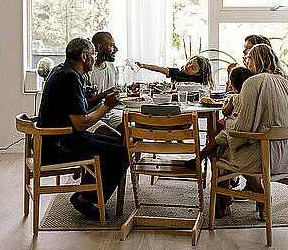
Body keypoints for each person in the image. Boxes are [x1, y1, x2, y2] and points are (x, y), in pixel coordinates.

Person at [188, 44, 288, 220]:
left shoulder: (253, 83)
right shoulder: (287, 82)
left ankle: (224, 204)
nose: (246, 62)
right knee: (232, 144)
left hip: (268, 158)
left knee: (221, 149)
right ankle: (256, 198)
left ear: (255, 60)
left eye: (248, 59)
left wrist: (227, 129)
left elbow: (242, 129)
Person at [36, 38, 129, 221]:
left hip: (57, 139)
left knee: (115, 143)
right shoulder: (71, 77)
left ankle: (87, 193)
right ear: (84, 56)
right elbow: (81, 123)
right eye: (93, 55)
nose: (94, 59)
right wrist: (107, 107)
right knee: (122, 153)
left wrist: (94, 97)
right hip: (59, 145)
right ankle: (85, 198)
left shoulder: (61, 70)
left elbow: (76, 110)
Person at [84, 31, 123, 138]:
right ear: (100, 48)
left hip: (109, 113)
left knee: (132, 131)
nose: (116, 49)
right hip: (91, 116)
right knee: (115, 137)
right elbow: (80, 106)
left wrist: (129, 89)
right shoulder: (86, 70)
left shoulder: (111, 67)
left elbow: (114, 92)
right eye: (111, 45)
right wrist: (103, 95)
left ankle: (127, 154)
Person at [135, 55, 213, 88]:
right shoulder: (177, 73)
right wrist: (143, 65)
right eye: (190, 62)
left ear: (197, 74)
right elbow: (158, 68)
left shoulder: (199, 84)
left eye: (193, 68)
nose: (188, 66)